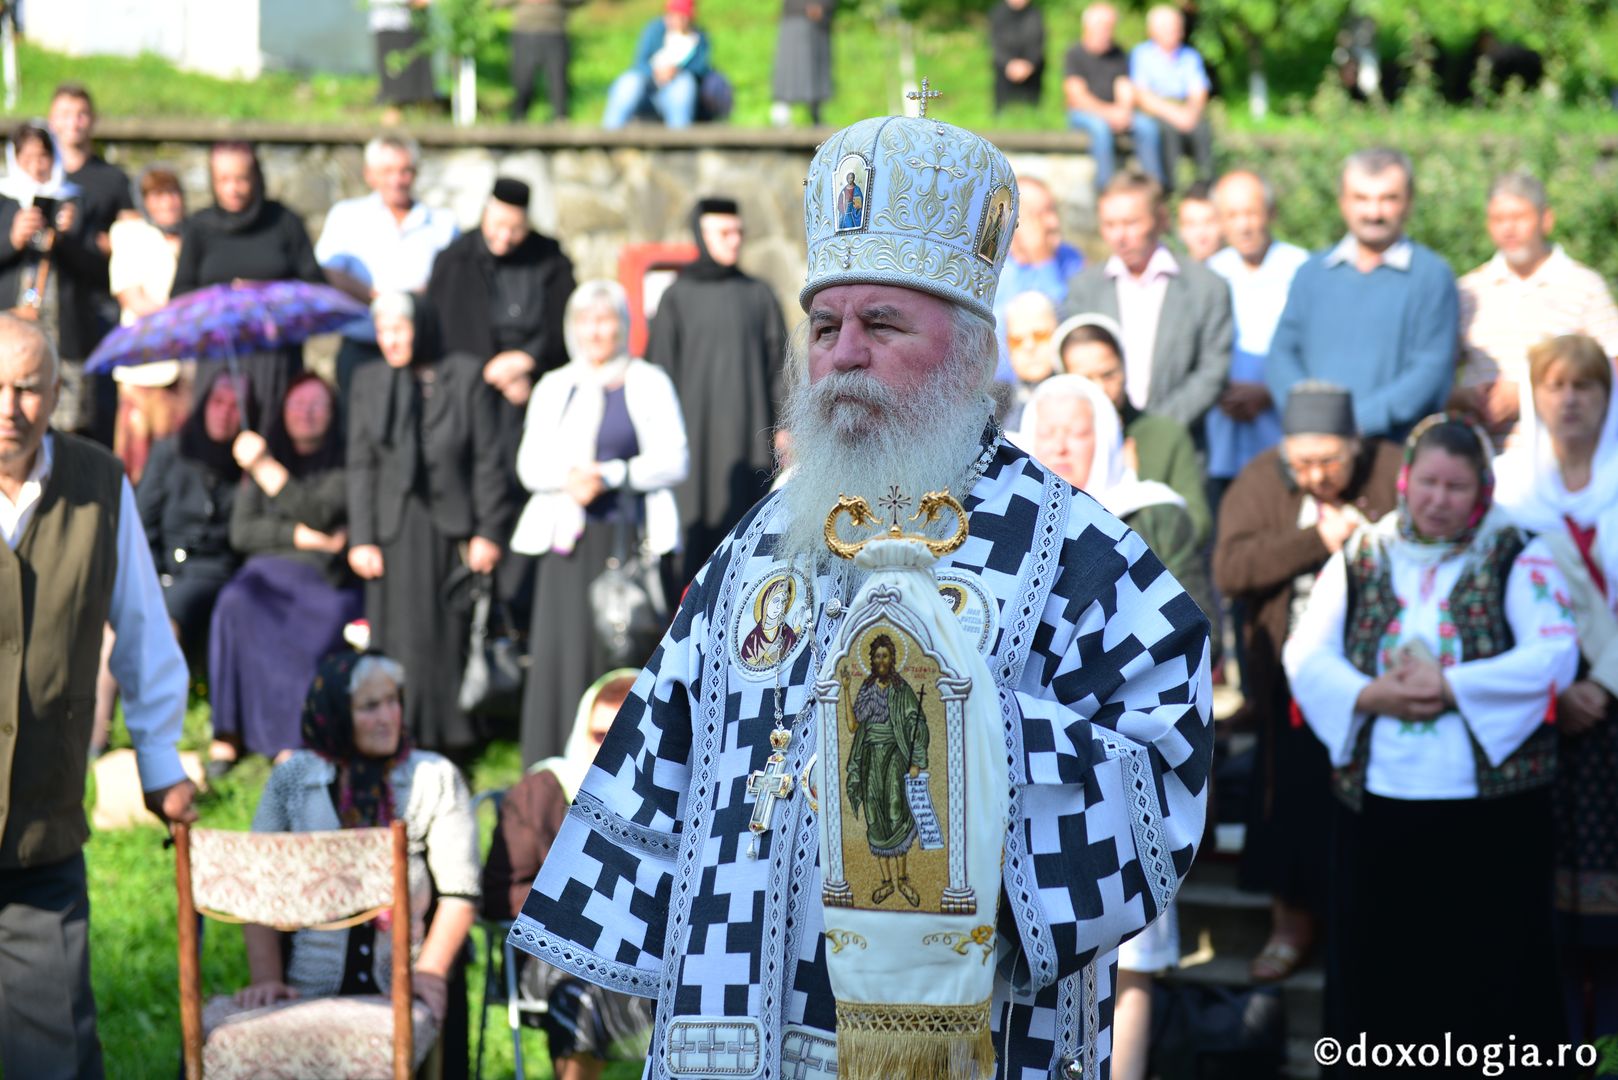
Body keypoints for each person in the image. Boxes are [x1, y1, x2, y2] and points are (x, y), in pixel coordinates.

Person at [509, 107, 1212, 1080]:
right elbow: (663, 743)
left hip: (966, 1037)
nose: (842, 352)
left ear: (971, 351)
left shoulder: (1082, 557)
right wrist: (597, 988)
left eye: (882, 323)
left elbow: (1160, 777)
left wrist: (965, 739)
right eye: (826, 324)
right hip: (734, 1038)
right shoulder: (758, 543)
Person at [1284, 415, 1576, 1073]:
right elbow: (1306, 651)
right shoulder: (1364, 553)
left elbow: (1555, 653)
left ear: (1482, 490)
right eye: (1429, 484)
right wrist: (1369, 695)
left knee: (1489, 968)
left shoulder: (1515, 551)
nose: (1440, 500)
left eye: (1457, 486)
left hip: (1492, 808)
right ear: (1407, 481)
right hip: (1382, 799)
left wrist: (1453, 686)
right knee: (1385, 968)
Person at [0, 313, 195, 1077]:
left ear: (57, 394)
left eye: (26, 389)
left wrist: (160, 759)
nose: (8, 408)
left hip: (41, 824)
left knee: (55, 1050)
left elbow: (144, 629)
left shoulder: (98, 485)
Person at [1211, 382, 1400, 982]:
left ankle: (1367, 931)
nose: (1317, 475)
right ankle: (1290, 926)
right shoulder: (1262, 479)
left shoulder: (1393, 469)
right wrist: (1316, 540)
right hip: (1290, 681)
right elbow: (1231, 569)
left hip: (1381, 678)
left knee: (1370, 811)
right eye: (1304, 462)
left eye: (1330, 461)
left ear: (1355, 446)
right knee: (1289, 804)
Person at [233, 650, 480, 1072]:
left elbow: (460, 894)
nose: (388, 716)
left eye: (393, 701)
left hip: (408, 979)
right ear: (334, 713)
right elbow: (256, 885)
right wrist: (267, 979)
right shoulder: (293, 779)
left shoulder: (435, 777)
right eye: (369, 706)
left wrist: (431, 972)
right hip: (307, 984)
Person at [1492, 334, 1618, 1043]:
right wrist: (1556, 689)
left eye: (1587, 386)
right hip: (1540, 718)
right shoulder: (1509, 487)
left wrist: (1601, 680)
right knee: (1549, 911)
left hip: (1613, 709)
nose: (1569, 399)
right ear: (1535, 395)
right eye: (1555, 385)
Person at [511, 279, 688, 767]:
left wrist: (610, 475)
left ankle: (633, 765)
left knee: (621, 650)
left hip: (628, 541)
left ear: (623, 325)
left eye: (606, 319)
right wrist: (569, 478)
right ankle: (556, 767)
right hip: (568, 544)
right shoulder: (554, 386)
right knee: (564, 655)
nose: (596, 331)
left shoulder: (648, 380)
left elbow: (675, 459)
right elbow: (528, 465)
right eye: (586, 321)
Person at [347, 292, 515, 758]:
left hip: (451, 530)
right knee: (398, 635)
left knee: (445, 634)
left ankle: (452, 738)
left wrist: (488, 531)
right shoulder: (369, 381)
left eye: (399, 330)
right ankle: (399, 733)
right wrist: (361, 537)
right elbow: (360, 464)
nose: (391, 341)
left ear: (420, 327)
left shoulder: (462, 376)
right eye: (383, 332)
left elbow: (487, 459)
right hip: (392, 529)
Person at [482, 669, 656, 1080]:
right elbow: (501, 890)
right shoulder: (545, 788)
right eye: (601, 736)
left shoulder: (668, 799)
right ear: (582, 731)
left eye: (627, 735)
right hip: (550, 948)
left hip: (644, 949)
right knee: (583, 988)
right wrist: (586, 911)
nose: (612, 750)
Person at [209, 373, 362, 767]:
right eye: (297, 405)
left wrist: (264, 468)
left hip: (319, 581)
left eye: (315, 406)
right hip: (266, 574)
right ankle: (228, 733)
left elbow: (323, 513)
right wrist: (301, 536)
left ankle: (292, 738)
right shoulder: (268, 453)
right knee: (234, 602)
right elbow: (243, 532)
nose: (305, 414)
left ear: (332, 413)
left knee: (320, 620)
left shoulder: (345, 461)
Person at [1267, 148, 1459, 443]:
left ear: (1408, 203)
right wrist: (1312, 418)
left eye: (1388, 199)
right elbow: (1282, 355)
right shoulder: (1312, 273)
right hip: (1314, 449)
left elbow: (1431, 370)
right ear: (1343, 202)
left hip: (1392, 452)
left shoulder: (1432, 277)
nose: (1374, 213)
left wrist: (1353, 422)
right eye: (1362, 198)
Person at [646, 197, 784, 581]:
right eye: (724, 233)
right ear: (701, 235)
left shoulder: (758, 295)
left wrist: (786, 428)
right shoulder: (677, 297)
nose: (734, 241)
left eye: (738, 232)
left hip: (750, 441)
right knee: (689, 548)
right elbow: (658, 375)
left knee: (744, 538)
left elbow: (780, 368)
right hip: (691, 446)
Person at [1021, 372, 1212, 620]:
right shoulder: (1018, 517)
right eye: (1047, 434)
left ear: (1105, 438)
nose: (1059, 448)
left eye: (1076, 433)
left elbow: (1195, 624)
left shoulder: (1155, 515)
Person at [1454, 172, 1618, 449]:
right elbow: (1438, 372)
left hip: (1560, 460)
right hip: (1479, 457)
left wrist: (1527, 396)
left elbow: (1612, 368)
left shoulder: (1584, 286)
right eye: (1498, 219)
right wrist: (1465, 397)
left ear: (1546, 219)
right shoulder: (1467, 291)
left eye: (1519, 217)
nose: (1509, 229)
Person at [1063, 169, 1232, 435]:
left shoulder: (1206, 287)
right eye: (1109, 224)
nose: (1120, 236)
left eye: (1131, 223)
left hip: (1178, 441)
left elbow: (1212, 372)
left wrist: (1155, 431)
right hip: (1101, 440)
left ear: (1161, 219)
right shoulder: (1084, 288)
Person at [171, 141, 325, 420]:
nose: (234, 189)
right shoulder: (199, 227)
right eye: (224, 180)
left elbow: (315, 289)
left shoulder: (284, 222)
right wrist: (223, 299)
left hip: (276, 359)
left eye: (241, 178)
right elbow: (180, 295)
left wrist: (266, 295)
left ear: (256, 177)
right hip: (219, 359)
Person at [316, 133, 459, 405]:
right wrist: (376, 298)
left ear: (415, 173)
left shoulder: (442, 224)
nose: (397, 180)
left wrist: (413, 303)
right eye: (388, 171)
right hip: (364, 348)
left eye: (405, 171)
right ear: (370, 175)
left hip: (421, 352)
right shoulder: (347, 216)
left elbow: (453, 282)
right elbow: (327, 271)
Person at [1055, 313, 1210, 547]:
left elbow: (1198, 524)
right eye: (1085, 379)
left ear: (1124, 371)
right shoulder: (1052, 443)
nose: (1100, 389)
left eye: (1108, 374)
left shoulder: (1165, 434)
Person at [0, 122, 108, 443]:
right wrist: (12, 239)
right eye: (28, 156)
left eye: (43, 156)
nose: (36, 165)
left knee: (66, 428)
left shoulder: (75, 200)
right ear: (14, 158)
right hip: (11, 328)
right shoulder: (3, 201)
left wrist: (68, 238)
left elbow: (98, 271)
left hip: (65, 330)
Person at [137, 367, 251, 669]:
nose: (224, 414)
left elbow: (241, 537)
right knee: (115, 625)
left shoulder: (247, 466)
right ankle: (102, 717)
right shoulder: (171, 451)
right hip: (161, 566)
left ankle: (157, 713)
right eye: (218, 402)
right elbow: (143, 519)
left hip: (210, 573)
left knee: (167, 620)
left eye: (235, 406)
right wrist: (155, 574)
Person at [1203, 169, 1307, 496]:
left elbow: (1314, 349)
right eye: (1232, 215)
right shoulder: (1210, 273)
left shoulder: (1301, 269)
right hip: (1222, 431)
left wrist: (1268, 391)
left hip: (1282, 431)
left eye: (1252, 213)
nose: (1244, 225)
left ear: (1271, 213)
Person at [48, 83, 131, 447]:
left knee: (94, 410)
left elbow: (132, 236)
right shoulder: (38, 176)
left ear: (93, 121)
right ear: (51, 120)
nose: (74, 123)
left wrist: (114, 242)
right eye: (65, 114)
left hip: (96, 304)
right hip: (45, 302)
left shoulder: (111, 179)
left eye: (81, 114)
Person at [992, 176, 1083, 381]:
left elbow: (1068, 323)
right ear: (1013, 220)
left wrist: (1043, 261)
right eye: (1040, 214)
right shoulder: (992, 267)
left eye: (1053, 211)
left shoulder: (1070, 259)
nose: (1054, 222)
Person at [1063, 3, 1157, 192]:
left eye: (1110, 27)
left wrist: (1124, 111)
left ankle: (1153, 186)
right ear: (1088, 27)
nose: (1107, 32)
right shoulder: (1074, 54)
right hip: (1084, 114)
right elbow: (1077, 97)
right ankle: (1105, 189)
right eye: (1103, 27)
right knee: (1101, 130)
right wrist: (1108, 114)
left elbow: (1124, 87)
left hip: (1114, 112)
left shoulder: (1118, 53)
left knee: (1147, 126)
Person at [1128, 5, 1213, 192]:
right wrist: (1176, 115)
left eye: (1176, 27)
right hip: (1157, 112)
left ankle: (1206, 185)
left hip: (1185, 110)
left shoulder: (1190, 56)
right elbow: (1141, 95)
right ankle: (1171, 189)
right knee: (1167, 132)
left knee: (1203, 129)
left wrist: (1191, 114)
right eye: (1167, 27)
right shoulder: (1142, 55)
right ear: (1152, 31)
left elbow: (1198, 92)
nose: (1174, 32)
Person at [601, 0, 713, 130]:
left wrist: (675, 71)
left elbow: (700, 69)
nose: (677, 21)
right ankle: (610, 130)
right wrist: (655, 72)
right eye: (673, 15)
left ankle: (680, 137)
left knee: (684, 83)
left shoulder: (699, 38)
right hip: (647, 89)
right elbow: (639, 62)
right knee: (629, 81)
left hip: (674, 92)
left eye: (682, 17)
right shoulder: (655, 30)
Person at [500, 0, 587, 122]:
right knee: (522, 83)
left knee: (558, 84)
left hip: (555, 33)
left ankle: (561, 124)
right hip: (523, 32)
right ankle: (517, 125)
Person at [999, 290, 1058, 428]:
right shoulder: (997, 403)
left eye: (1040, 335)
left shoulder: (1079, 393)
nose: (1029, 347)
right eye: (1017, 340)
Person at [771, 0, 835, 127]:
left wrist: (822, 7)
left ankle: (816, 116)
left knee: (817, 70)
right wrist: (807, 6)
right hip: (795, 19)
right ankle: (781, 116)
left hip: (819, 24)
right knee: (790, 66)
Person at [368, 0, 437, 108]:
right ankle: (395, 105)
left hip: (414, 23)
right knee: (394, 70)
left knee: (416, 66)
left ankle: (417, 103)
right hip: (390, 23)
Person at [988, 0, 1044, 112]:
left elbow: (1038, 43)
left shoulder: (1035, 14)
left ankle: (1033, 113)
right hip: (1005, 67)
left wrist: (1029, 64)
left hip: (1029, 68)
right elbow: (995, 44)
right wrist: (1008, 64)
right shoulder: (998, 14)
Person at [1173, 180, 1219, 263]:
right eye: (1191, 224)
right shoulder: (1172, 273)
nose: (1201, 233)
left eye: (1208, 222)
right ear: (1180, 229)